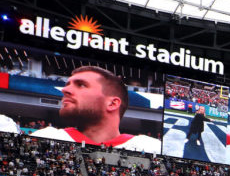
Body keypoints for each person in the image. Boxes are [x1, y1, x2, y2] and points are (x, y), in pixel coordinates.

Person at [31, 66, 161, 153]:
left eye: (81, 85)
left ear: (112, 103)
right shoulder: (44, 137)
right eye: (68, 84)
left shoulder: (152, 148)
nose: (65, 90)